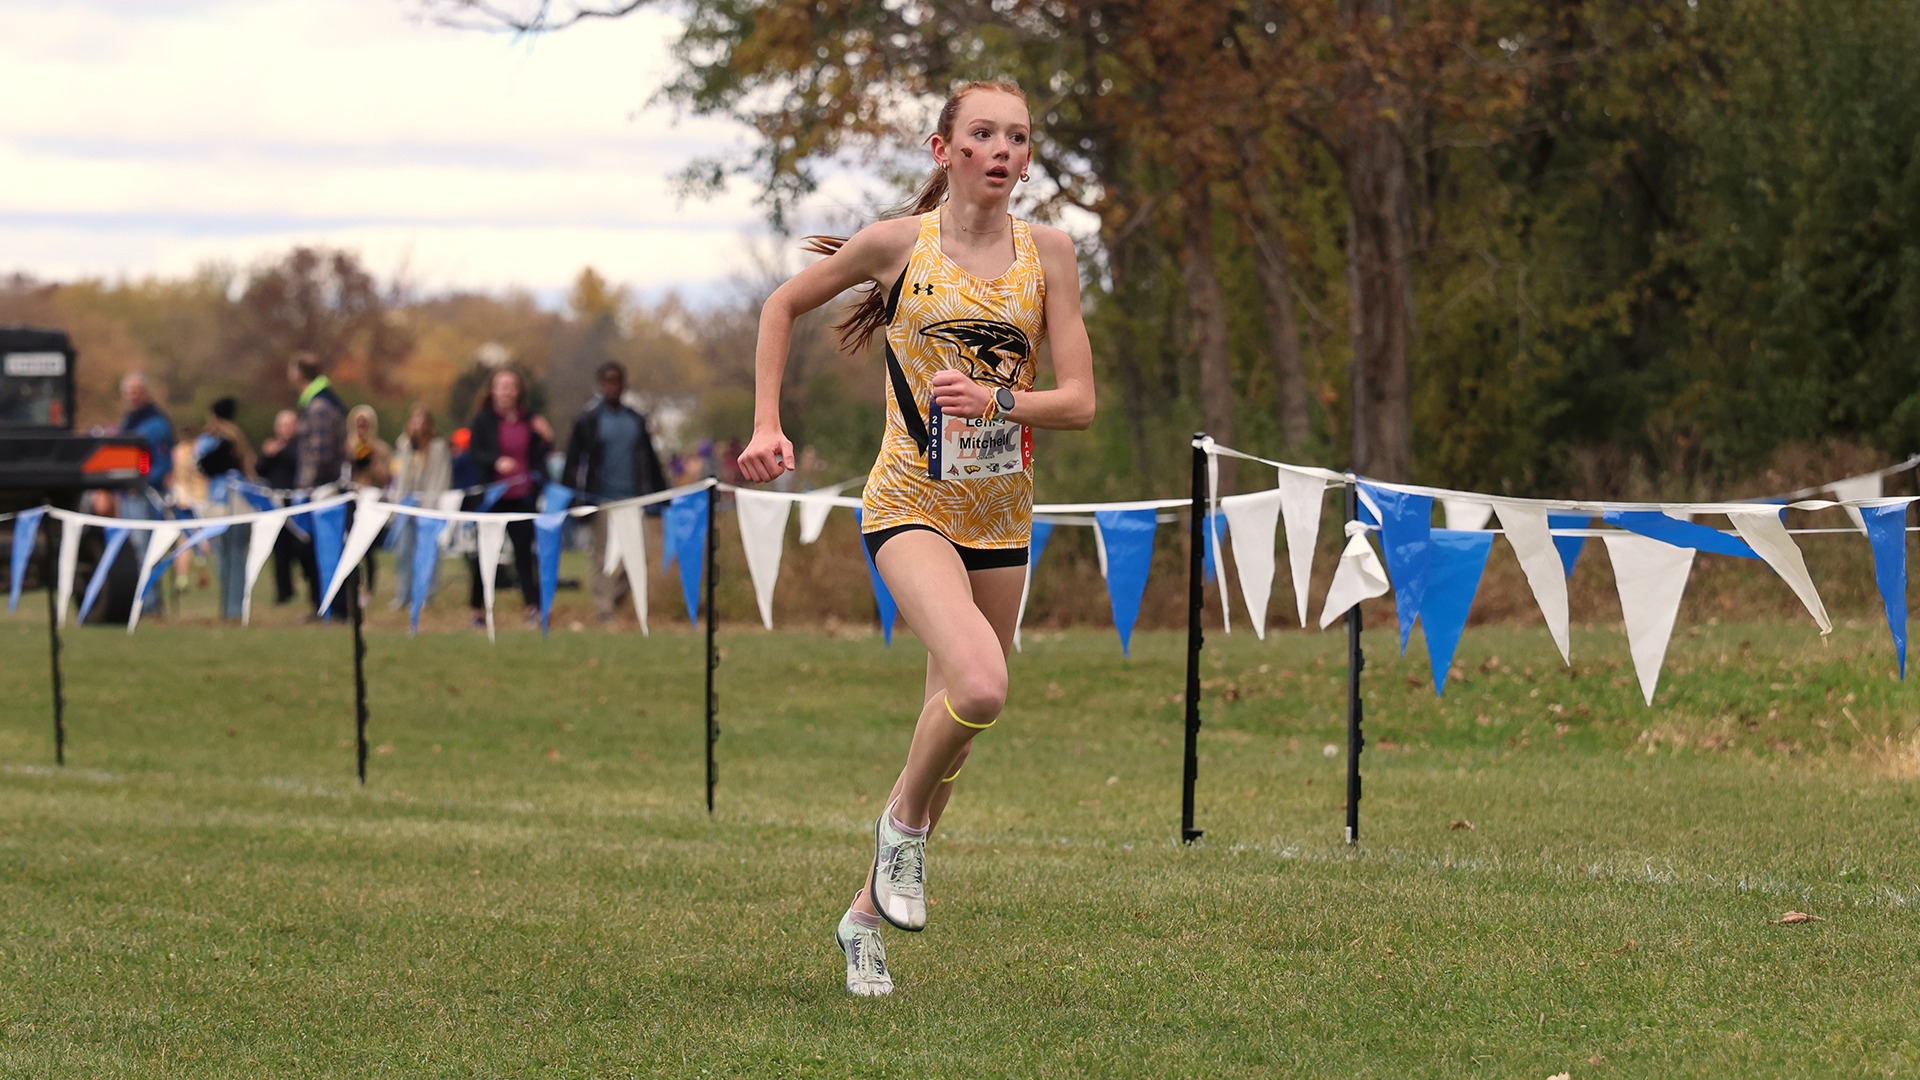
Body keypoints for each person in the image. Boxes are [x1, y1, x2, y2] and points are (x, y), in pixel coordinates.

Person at [736, 80, 1095, 997]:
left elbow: (1079, 403)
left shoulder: (1051, 254)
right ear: (945, 150)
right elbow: (780, 305)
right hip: (909, 505)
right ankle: (901, 831)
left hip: (1001, 517)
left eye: (1018, 137)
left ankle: (864, 917)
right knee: (982, 685)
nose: (1003, 150)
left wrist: (999, 399)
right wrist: (768, 423)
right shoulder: (899, 245)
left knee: (959, 731)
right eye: (984, 134)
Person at [561, 362, 667, 623]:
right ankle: (604, 609)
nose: (612, 387)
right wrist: (573, 498)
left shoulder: (635, 420)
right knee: (602, 557)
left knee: (639, 555)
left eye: (616, 381)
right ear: (600, 385)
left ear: (623, 384)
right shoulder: (588, 420)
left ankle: (616, 597)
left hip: (634, 499)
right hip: (600, 500)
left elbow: (650, 460)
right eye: (607, 382)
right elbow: (573, 461)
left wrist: (662, 495)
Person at [466, 368, 552, 626]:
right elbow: (475, 453)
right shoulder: (483, 420)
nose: (506, 392)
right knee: (486, 553)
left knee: (524, 555)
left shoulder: (530, 420)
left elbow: (541, 455)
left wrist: (547, 437)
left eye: (511, 386)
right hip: (492, 497)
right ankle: (478, 609)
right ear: (493, 391)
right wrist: (496, 462)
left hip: (522, 497)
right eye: (501, 386)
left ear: (519, 391)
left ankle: (532, 607)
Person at [117, 373, 176, 613]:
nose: (133, 396)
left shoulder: (157, 423)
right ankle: (141, 601)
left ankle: (151, 604)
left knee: (147, 548)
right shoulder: (127, 422)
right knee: (134, 549)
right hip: (127, 494)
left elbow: (163, 462)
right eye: (129, 392)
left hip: (146, 495)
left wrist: (141, 483)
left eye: (137, 391)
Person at [196, 397, 255, 620]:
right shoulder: (238, 440)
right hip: (241, 503)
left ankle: (233, 609)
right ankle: (233, 607)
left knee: (229, 556)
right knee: (235, 555)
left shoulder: (219, 442)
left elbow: (205, 466)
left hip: (225, 504)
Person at [389, 404, 452, 610]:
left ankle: (426, 594)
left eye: (421, 421)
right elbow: (399, 478)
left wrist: (430, 506)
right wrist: (397, 505)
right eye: (414, 420)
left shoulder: (438, 447)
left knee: (427, 552)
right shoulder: (404, 445)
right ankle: (403, 594)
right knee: (404, 553)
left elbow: (440, 478)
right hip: (406, 506)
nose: (417, 425)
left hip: (428, 508)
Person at [255, 408, 314, 606]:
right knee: (280, 551)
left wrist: (279, 451)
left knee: (303, 548)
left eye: (289, 425)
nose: (285, 429)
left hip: (297, 504)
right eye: (281, 425)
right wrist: (268, 454)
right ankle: (284, 592)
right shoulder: (273, 448)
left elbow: (297, 463)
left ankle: (312, 586)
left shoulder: (300, 446)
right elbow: (259, 470)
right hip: (276, 505)